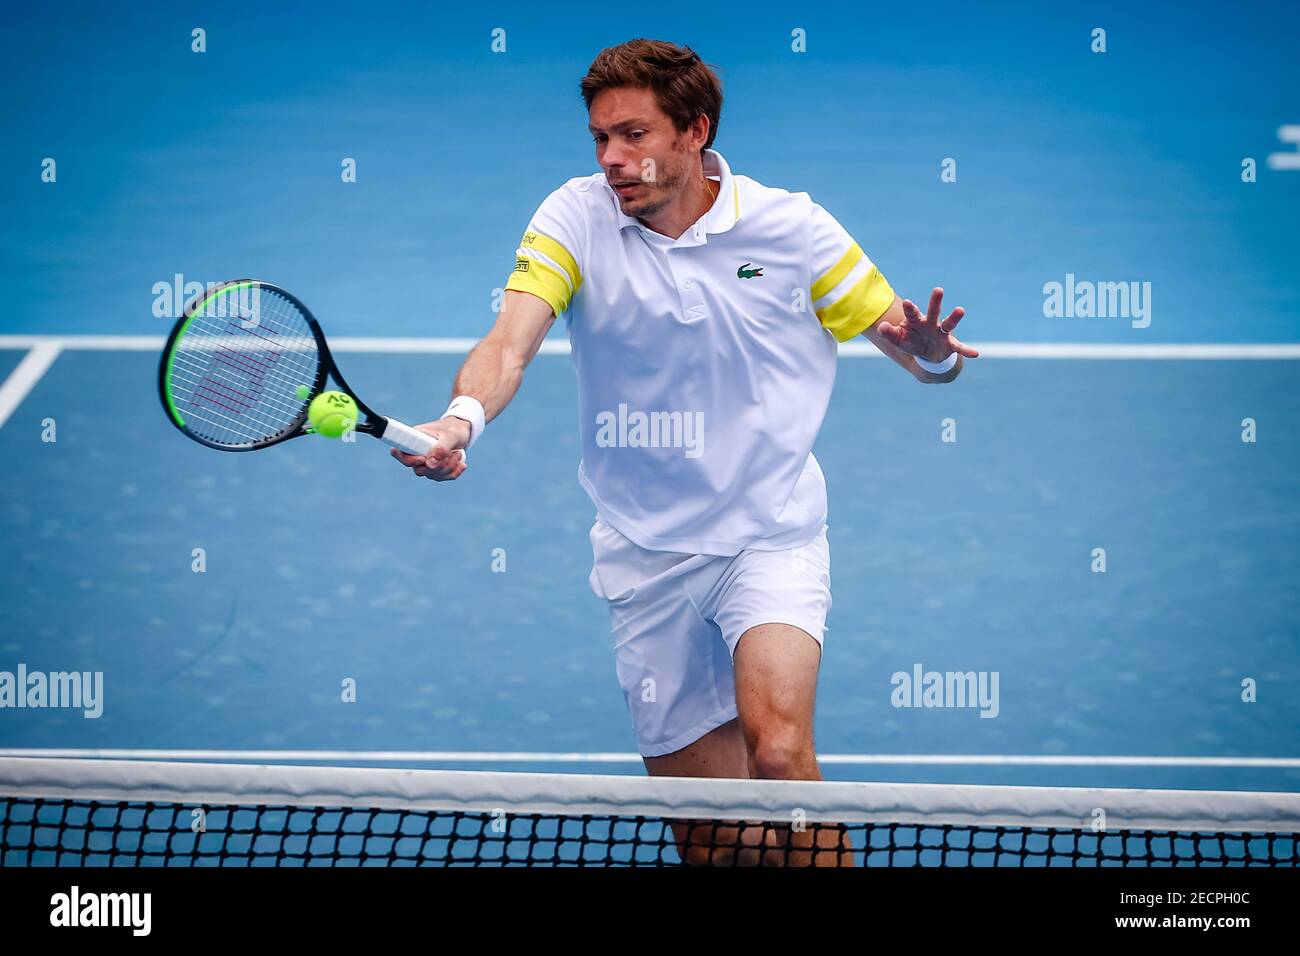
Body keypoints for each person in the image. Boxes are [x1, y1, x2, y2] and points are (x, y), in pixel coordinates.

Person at [391, 39, 977, 865]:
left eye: (633, 135)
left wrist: (936, 353)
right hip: (646, 553)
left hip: (767, 534)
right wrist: (460, 420)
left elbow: (921, 360)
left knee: (778, 754)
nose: (613, 160)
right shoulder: (574, 216)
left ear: (695, 130)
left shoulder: (792, 230)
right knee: (715, 835)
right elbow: (510, 342)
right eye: (600, 139)